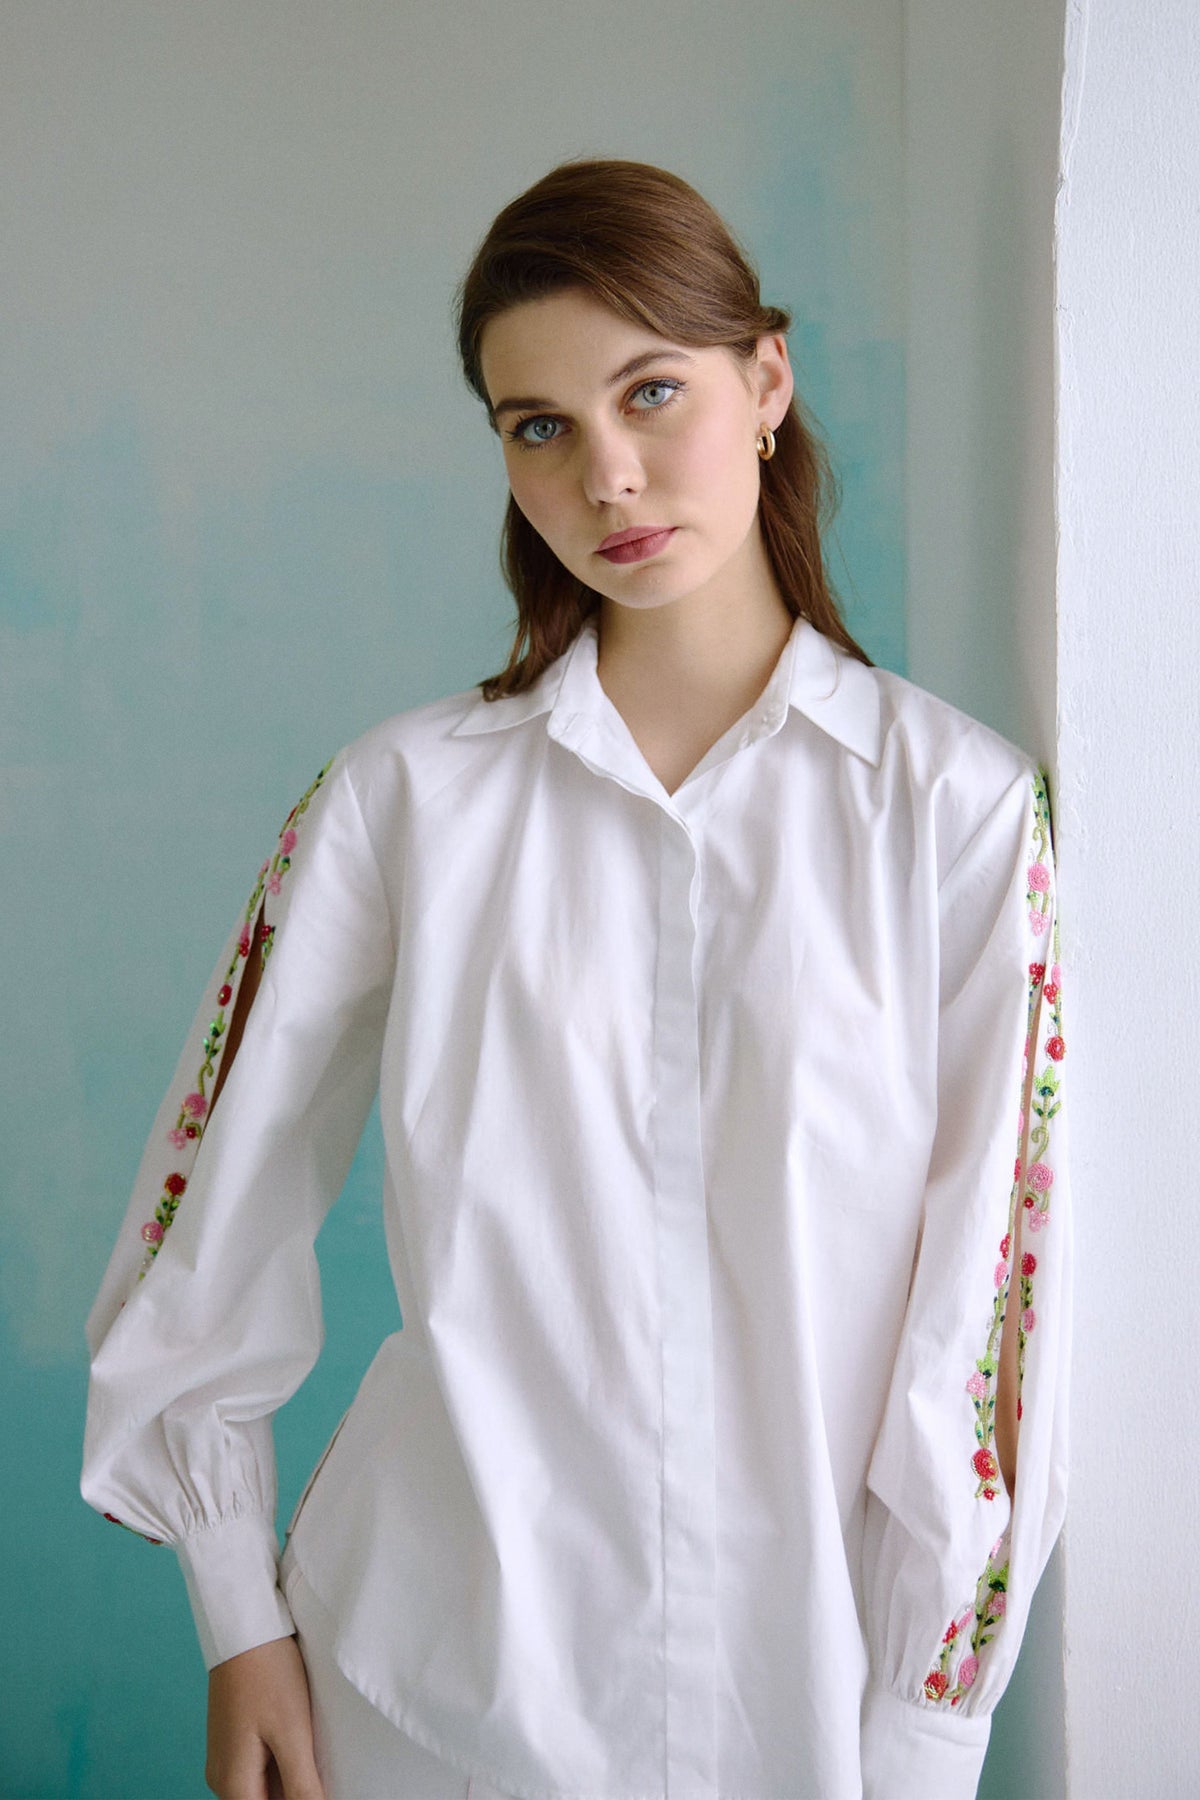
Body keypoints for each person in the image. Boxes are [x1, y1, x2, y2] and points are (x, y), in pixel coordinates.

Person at [81, 158, 1069, 1800]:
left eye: (651, 391)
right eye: (536, 425)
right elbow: (215, 1192)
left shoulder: (955, 816)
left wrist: (928, 1717)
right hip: (424, 1689)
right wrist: (235, 1612)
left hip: (810, 1710)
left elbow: (991, 1304)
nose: (606, 476)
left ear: (766, 381)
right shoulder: (405, 803)